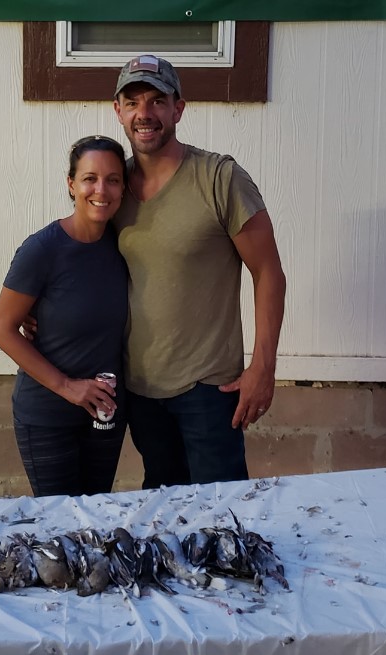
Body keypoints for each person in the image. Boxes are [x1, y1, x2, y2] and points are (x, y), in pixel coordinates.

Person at [112, 54, 287, 489]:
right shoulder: (112, 187)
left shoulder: (218, 178)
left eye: (157, 100)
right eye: (132, 102)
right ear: (118, 111)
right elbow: (84, 265)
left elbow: (268, 272)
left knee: (220, 515)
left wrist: (263, 368)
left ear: (178, 109)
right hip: (140, 387)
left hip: (209, 389)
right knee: (163, 508)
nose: (144, 113)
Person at [0, 136, 130, 497]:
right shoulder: (43, 249)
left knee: (94, 524)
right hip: (48, 414)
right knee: (59, 529)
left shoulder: (125, 244)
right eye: (89, 178)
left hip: (105, 413)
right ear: (71, 184)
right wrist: (68, 387)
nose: (101, 189)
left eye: (113, 179)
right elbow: (3, 329)